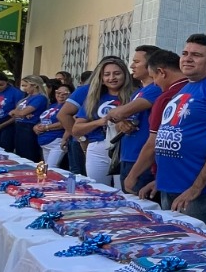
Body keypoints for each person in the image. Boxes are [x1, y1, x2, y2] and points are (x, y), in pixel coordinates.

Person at [139, 35, 206, 228]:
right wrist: (161, 180)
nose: (187, 59)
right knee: (174, 240)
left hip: (200, 191)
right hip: (171, 185)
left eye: (196, 55)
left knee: (198, 242)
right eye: (185, 53)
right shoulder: (188, 87)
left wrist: (196, 188)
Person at [66, 57, 138, 186]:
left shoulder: (136, 95)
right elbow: (76, 129)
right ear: (101, 78)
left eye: (117, 73)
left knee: (123, 190)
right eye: (107, 74)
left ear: (125, 75)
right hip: (97, 148)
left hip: (125, 148)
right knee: (98, 189)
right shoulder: (94, 98)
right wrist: (99, 122)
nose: (112, 78)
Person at [122, 50, 186, 193]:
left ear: (161, 72)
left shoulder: (166, 98)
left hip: (172, 175)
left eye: (153, 77)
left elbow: (153, 142)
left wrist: (132, 175)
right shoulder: (195, 89)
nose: (155, 84)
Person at [8, 77, 50, 162]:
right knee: (20, 152)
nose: (24, 88)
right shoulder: (27, 98)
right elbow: (13, 113)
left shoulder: (40, 98)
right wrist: (21, 113)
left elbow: (22, 112)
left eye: (25, 85)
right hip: (19, 125)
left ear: (34, 85)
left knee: (28, 153)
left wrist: (21, 113)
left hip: (29, 126)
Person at [34, 80, 74, 167]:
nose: (61, 95)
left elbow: (66, 122)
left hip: (57, 141)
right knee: (46, 168)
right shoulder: (52, 105)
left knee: (51, 168)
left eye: (65, 94)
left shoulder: (70, 107)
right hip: (45, 142)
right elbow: (44, 119)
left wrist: (46, 127)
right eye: (58, 92)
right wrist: (36, 127)